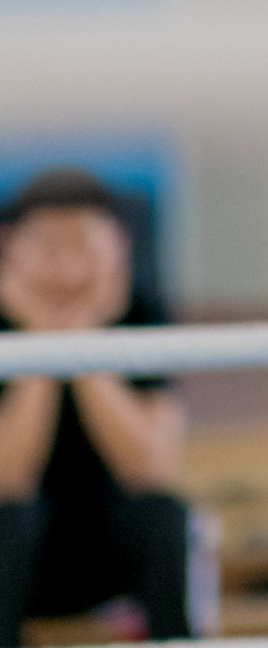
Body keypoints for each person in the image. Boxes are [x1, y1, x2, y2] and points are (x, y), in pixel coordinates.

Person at [0, 169, 191, 645]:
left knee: (162, 515)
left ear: (119, 246)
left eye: (82, 247)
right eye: (48, 249)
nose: (66, 270)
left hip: (108, 550)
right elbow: (8, 479)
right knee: (10, 520)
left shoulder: (143, 313)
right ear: (10, 248)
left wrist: (84, 343)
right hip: (18, 551)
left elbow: (149, 468)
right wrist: (38, 342)